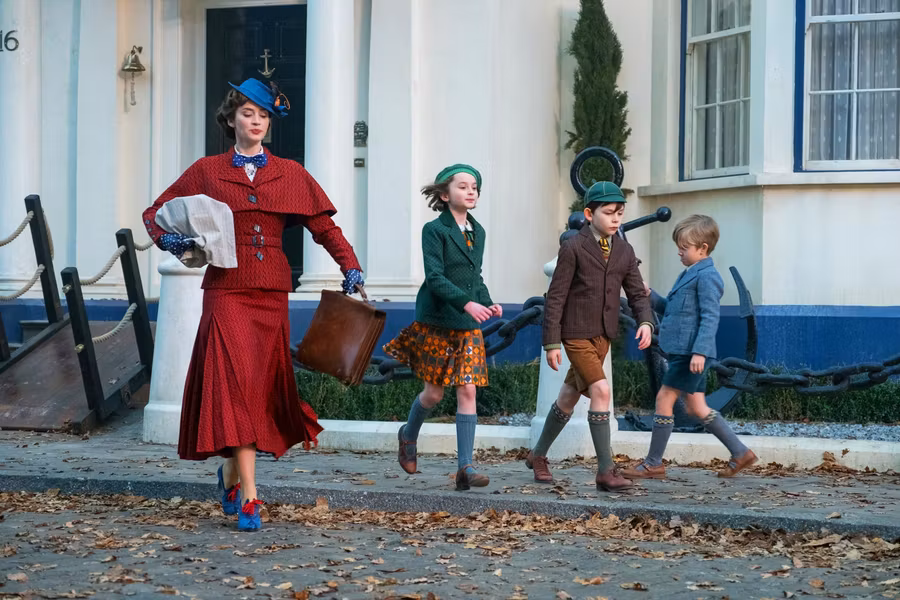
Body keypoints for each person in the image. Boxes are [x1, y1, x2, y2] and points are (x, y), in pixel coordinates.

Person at [141, 78, 364, 531]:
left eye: (263, 115)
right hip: (225, 292)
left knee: (257, 390)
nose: (256, 121)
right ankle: (250, 498)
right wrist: (175, 241)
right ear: (230, 119)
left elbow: (324, 228)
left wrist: (351, 267)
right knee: (236, 387)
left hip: (270, 295)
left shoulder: (291, 173)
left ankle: (229, 474)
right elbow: (154, 215)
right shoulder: (206, 171)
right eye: (247, 113)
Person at [527, 181, 654, 492]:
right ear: (588, 213)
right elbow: (555, 297)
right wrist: (552, 342)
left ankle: (538, 455)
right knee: (601, 390)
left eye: (620, 213)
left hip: (603, 336)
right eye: (608, 212)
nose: (615, 219)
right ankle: (605, 471)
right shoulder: (572, 248)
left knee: (569, 396)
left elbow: (637, 293)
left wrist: (646, 322)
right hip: (576, 334)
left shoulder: (624, 250)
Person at [384, 164, 501, 491]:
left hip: (467, 325)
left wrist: (487, 301)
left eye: (475, 186)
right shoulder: (434, 231)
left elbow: (475, 276)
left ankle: (466, 467)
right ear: (444, 194)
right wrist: (467, 303)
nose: (471, 191)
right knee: (433, 394)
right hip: (437, 323)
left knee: (468, 390)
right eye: (463, 186)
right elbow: (435, 278)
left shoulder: (479, 232)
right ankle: (408, 435)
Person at [623, 215, 757, 480]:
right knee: (697, 407)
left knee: (664, 398)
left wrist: (700, 352)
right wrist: (653, 297)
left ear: (702, 248)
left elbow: (710, 317)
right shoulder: (689, 274)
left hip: (690, 353)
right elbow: (673, 311)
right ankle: (741, 452)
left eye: (684, 248)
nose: (679, 252)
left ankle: (653, 463)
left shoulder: (708, 277)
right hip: (683, 351)